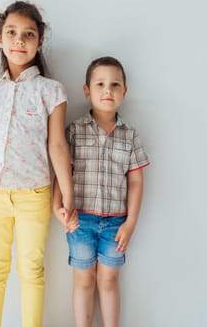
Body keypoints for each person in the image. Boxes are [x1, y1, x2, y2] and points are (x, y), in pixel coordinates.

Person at [0, 0, 78, 327]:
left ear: (40, 41)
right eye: (12, 33)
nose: (19, 41)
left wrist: (67, 195)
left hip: (33, 195)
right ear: (0, 37)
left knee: (32, 271)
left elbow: (58, 146)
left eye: (28, 34)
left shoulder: (51, 91)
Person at [53, 56, 150, 327]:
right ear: (87, 90)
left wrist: (130, 223)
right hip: (80, 221)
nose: (108, 90)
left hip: (115, 225)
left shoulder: (130, 136)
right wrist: (57, 206)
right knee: (83, 281)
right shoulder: (74, 131)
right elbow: (61, 174)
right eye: (100, 84)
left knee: (108, 280)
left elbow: (136, 182)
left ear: (124, 92)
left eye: (115, 84)